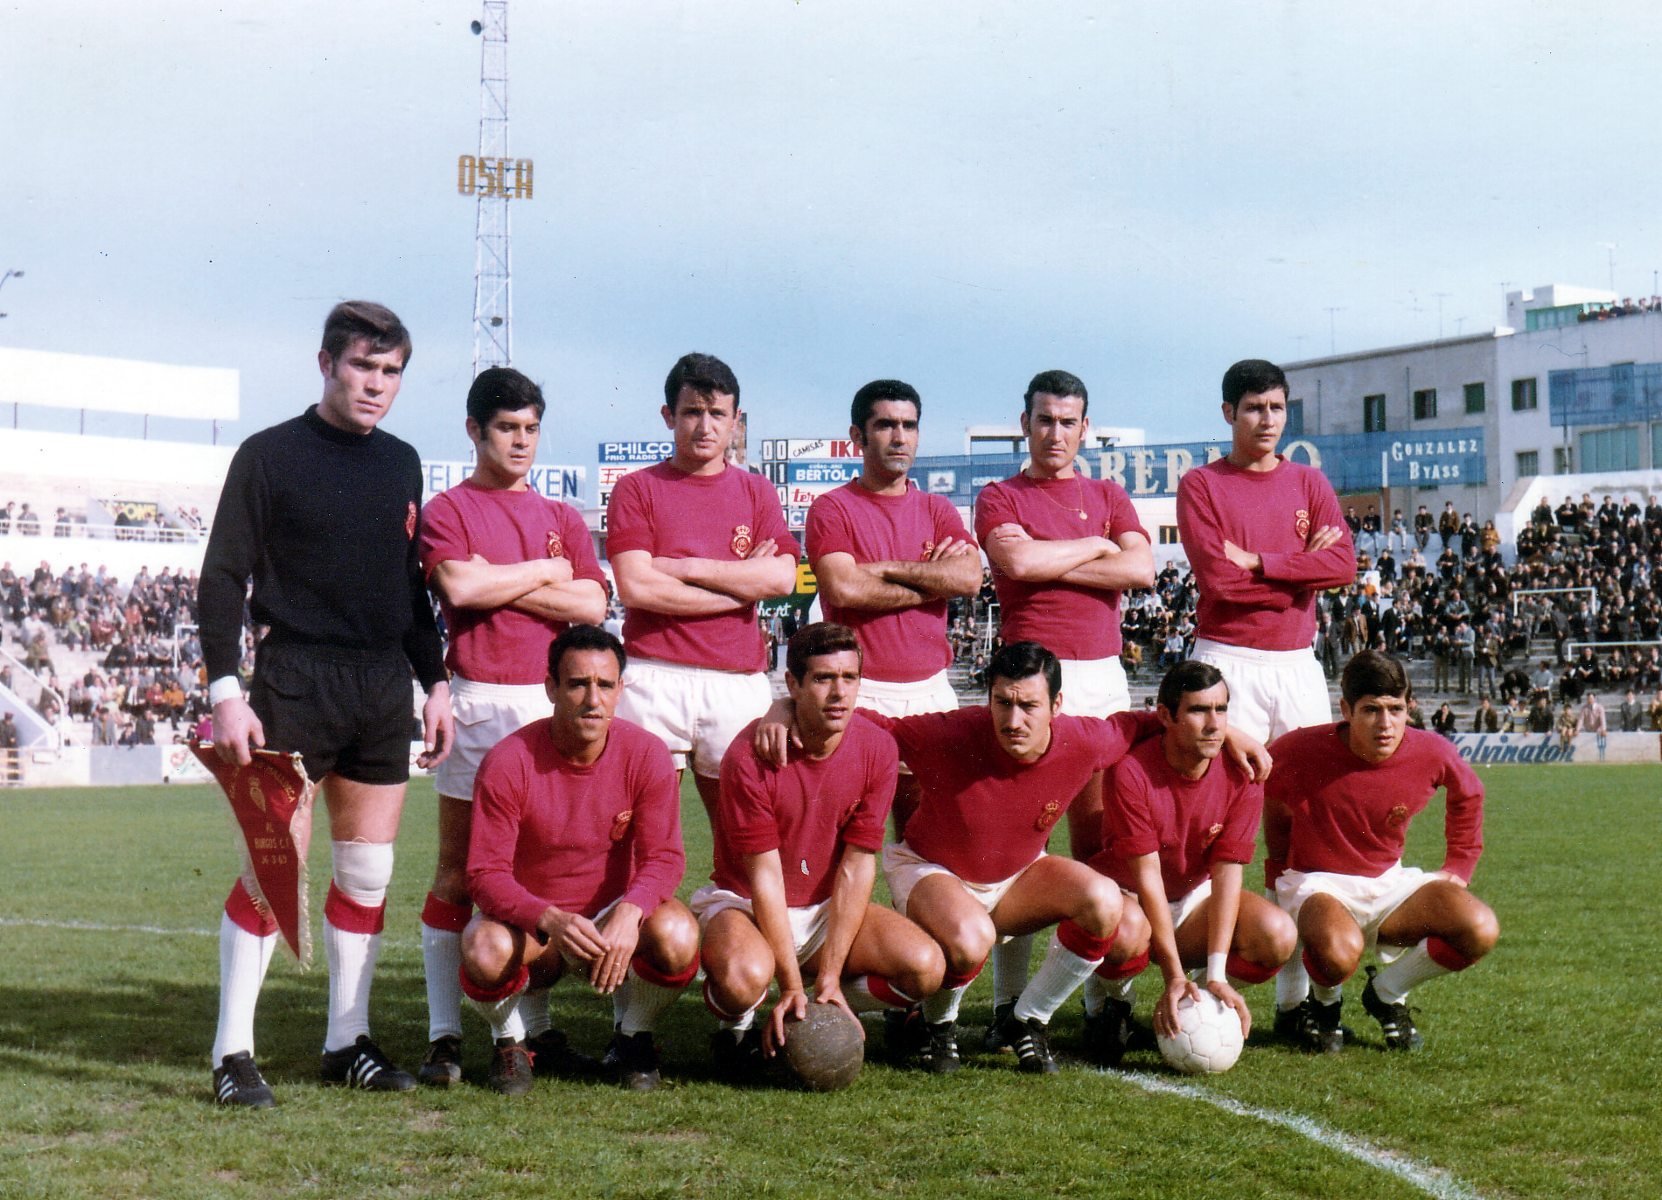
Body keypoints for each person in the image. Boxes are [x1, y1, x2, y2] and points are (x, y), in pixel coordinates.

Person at [758, 640, 1269, 1075]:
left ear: (1057, 704)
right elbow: (862, 721)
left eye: (1029, 705)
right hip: (933, 869)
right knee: (972, 938)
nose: (1014, 719)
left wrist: (1232, 733)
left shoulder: (1088, 739)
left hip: (1019, 873)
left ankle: (1028, 1020)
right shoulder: (948, 732)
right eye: (1002, 702)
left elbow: (1154, 721)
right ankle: (937, 1025)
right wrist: (783, 707)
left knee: (1103, 900)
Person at [197, 301, 454, 1107]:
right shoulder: (269, 455)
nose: (377, 385)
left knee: (369, 871)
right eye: (362, 367)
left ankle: (347, 1040)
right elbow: (221, 578)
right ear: (326, 364)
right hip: (295, 680)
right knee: (277, 867)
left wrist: (436, 679)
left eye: (391, 372)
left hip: (382, 684)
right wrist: (226, 692)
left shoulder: (403, 463)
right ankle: (231, 1054)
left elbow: (409, 588)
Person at [414, 367, 609, 1087]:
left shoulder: (562, 513)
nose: (520, 441)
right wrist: (542, 575)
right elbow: (461, 588)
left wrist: (507, 579)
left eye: (530, 428)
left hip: (549, 700)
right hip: (478, 699)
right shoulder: (450, 508)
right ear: (474, 430)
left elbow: (590, 600)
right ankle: (442, 1037)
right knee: (460, 872)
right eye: (505, 428)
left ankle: (535, 1032)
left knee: (539, 874)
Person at [974, 369, 1154, 1033]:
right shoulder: (999, 495)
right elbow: (1016, 567)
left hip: (1101, 675)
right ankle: (1005, 1006)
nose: (1055, 433)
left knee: (1102, 843)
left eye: (1068, 421)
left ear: (1085, 428)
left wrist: (1053, 556)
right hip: (1030, 684)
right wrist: (1097, 547)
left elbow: (1140, 569)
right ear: (1026, 423)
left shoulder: (1108, 491)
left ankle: (1108, 1003)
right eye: (1044, 420)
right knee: (1019, 852)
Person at [696, 623, 945, 1077]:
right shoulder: (749, 756)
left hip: (824, 907)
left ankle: (824, 1002)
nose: (839, 692)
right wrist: (789, 982)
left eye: (849, 678)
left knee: (925, 968)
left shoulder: (877, 748)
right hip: (748, 902)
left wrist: (828, 975)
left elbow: (856, 865)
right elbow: (765, 876)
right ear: (793, 684)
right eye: (823, 678)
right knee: (740, 980)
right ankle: (736, 1026)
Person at [458, 625, 698, 1094]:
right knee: (483, 948)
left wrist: (630, 913)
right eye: (577, 684)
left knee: (678, 933)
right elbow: (484, 874)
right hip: (539, 929)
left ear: (620, 691)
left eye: (605, 685)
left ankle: (633, 1037)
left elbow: (664, 857)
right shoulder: (509, 761)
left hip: (611, 923)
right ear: (551, 688)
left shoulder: (647, 754)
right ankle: (510, 1042)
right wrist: (550, 918)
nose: (593, 699)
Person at [1265, 651, 1498, 1053]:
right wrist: (1277, 865)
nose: (1386, 724)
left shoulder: (1430, 751)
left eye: (1396, 709)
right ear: (1346, 710)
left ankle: (1386, 993)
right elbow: (1263, 790)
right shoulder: (1300, 748)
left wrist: (1459, 865)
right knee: (1339, 954)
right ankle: (1325, 1008)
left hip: (1390, 882)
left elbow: (1469, 793)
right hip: (1320, 885)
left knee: (1479, 928)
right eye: (1371, 710)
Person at [605, 352, 799, 823]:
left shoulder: (756, 492)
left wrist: (683, 566)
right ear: (668, 415)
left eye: (718, 414)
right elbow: (636, 587)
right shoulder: (637, 488)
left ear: (735, 420)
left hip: (735, 680)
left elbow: (781, 577)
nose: (705, 426)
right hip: (653, 674)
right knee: (640, 836)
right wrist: (739, 588)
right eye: (692, 411)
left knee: (746, 836)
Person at [1081, 661, 1294, 1065]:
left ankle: (1198, 999)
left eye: (1222, 709)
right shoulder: (1132, 770)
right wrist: (1172, 975)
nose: (1215, 724)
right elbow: (1148, 880)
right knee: (1125, 933)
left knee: (1277, 934)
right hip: (1131, 897)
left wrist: (1215, 973)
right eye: (1198, 710)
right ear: (1165, 716)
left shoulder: (1243, 772)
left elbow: (1228, 875)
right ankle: (1110, 1009)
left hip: (1192, 900)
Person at [805, 379, 979, 838]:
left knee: (926, 842)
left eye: (908, 425)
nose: (899, 436)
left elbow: (968, 578)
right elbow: (843, 588)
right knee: (841, 841)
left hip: (929, 692)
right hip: (859, 692)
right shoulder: (832, 508)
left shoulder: (938, 508)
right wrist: (928, 580)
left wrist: (878, 572)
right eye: (885, 425)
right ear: (858, 436)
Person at [1176, 359, 1356, 746]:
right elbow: (1221, 583)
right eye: (1255, 408)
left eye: (1277, 408)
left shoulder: (1310, 481)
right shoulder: (1201, 485)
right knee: (1228, 795)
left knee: (1301, 799)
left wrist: (1258, 562)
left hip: (1297, 661)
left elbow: (1343, 566)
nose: (1268, 420)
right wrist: (1305, 578)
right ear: (1229, 412)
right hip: (1227, 658)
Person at [1579, 693, 1608, 762]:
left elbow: (1602, 719)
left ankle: (1601, 758)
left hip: (1598, 729)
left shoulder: (1600, 707)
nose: (1590, 700)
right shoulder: (1584, 708)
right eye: (1588, 698)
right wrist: (1577, 729)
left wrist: (1603, 729)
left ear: (1594, 699)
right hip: (1588, 729)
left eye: (1591, 698)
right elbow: (1581, 719)